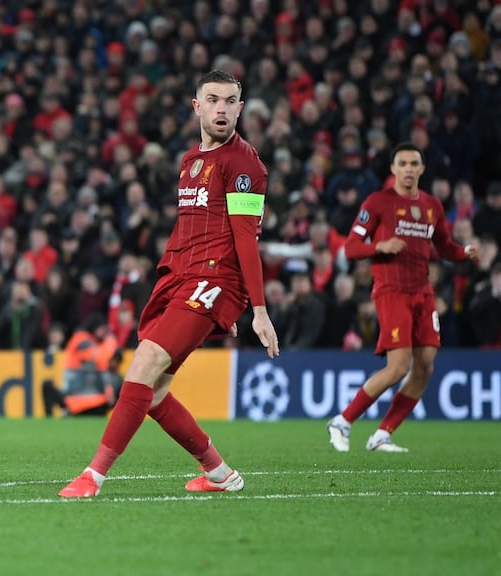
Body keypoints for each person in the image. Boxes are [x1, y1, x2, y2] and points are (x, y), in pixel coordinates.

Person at [59, 70, 279, 498]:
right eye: (212, 99)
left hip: (213, 279)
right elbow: (189, 228)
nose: (221, 108)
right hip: (180, 278)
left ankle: (93, 476)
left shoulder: (245, 164)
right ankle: (220, 474)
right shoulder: (189, 161)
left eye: (230, 101)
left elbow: (245, 238)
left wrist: (254, 308)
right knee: (155, 393)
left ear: (240, 108)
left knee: (143, 365)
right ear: (197, 107)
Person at [327, 142, 480, 453]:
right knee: (398, 367)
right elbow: (351, 247)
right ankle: (342, 421)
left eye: (414, 163)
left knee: (425, 366)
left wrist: (463, 253)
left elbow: (444, 246)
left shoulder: (432, 206)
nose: (409, 168)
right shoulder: (378, 202)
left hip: (423, 292)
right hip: (391, 290)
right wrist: (379, 247)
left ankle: (383, 433)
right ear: (393, 169)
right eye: (403, 163)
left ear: (422, 169)